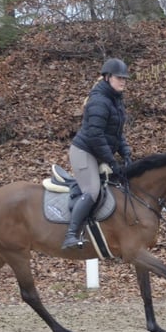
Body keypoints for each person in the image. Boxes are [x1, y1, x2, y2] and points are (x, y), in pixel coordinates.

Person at [61, 57, 133, 250]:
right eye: (119, 77)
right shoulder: (99, 101)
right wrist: (111, 160)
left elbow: (116, 133)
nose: (123, 81)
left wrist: (125, 152)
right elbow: (95, 135)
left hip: (99, 151)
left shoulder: (115, 100)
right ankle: (71, 235)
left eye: (125, 78)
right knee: (92, 190)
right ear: (107, 77)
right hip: (84, 151)